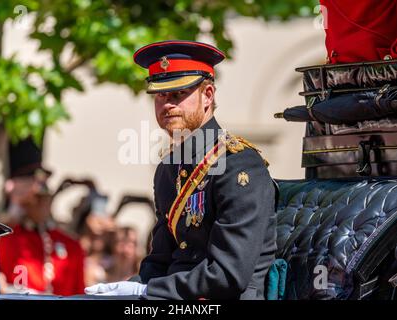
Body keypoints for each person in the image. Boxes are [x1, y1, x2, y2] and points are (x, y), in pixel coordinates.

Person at [85, 40, 278, 299]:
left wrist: (147, 290)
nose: (167, 105)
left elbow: (228, 274)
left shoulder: (239, 165)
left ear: (207, 95)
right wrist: (127, 289)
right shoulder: (169, 168)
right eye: (161, 95)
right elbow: (160, 259)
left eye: (178, 94)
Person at [0, 138, 85, 296]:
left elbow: (79, 294)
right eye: (36, 197)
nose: (42, 201)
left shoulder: (71, 245)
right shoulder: (6, 240)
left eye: (45, 196)